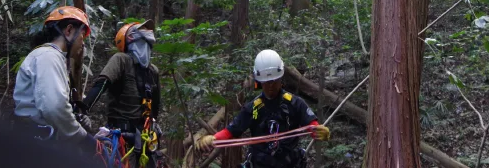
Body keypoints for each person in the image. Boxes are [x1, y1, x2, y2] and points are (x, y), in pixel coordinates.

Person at [195, 49, 330, 167]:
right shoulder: (253, 108)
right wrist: (213, 139)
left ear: (280, 78)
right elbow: (232, 131)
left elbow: (312, 126)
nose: (270, 86)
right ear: (260, 81)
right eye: (266, 82)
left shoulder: (295, 103)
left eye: (274, 81)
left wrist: (319, 131)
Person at [13, 6, 96, 150]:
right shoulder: (48, 56)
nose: (82, 44)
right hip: (36, 144)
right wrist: (81, 136)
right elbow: (55, 107)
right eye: (82, 37)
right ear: (69, 30)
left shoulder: (51, 57)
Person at [81, 20, 162, 167]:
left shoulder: (152, 71)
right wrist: (83, 109)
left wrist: (153, 125)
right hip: (121, 135)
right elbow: (103, 83)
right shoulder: (122, 60)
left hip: (143, 137)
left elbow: (155, 105)